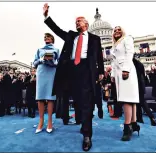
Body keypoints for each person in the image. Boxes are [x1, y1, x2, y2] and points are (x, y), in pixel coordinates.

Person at [43, 3, 104, 151]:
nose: (77, 22)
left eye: (79, 21)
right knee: (74, 100)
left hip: (86, 71)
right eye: (76, 21)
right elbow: (57, 30)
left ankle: (87, 135)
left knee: (87, 103)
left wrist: (101, 72)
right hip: (70, 71)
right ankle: (74, 120)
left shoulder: (95, 39)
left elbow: (99, 57)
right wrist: (46, 17)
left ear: (86, 24)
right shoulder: (71, 35)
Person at [110, 26, 140, 141]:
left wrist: (126, 69)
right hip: (118, 72)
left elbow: (129, 53)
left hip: (126, 70)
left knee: (127, 99)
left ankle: (127, 127)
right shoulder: (115, 44)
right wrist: (113, 75)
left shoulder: (127, 39)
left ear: (123, 31)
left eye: (119, 29)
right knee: (130, 99)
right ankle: (134, 123)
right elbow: (113, 61)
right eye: (115, 30)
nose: (117, 31)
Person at [33, 33, 59, 134]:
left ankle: (49, 122)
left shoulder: (56, 50)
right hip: (41, 72)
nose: (46, 38)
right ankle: (41, 121)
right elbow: (34, 63)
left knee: (50, 97)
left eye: (48, 37)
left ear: (52, 39)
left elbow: (59, 63)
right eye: (45, 37)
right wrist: (41, 59)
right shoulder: (39, 49)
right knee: (40, 97)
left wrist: (53, 62)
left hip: (51, 73)